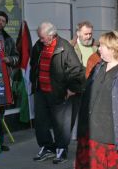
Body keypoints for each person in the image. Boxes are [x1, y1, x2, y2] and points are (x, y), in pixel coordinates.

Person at [30, 21, 85, 164]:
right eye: (39, 37)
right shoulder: (38, 46)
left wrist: (72, 89)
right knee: (40, 122)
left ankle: (61, 148)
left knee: (61, 124)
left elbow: (76, 69)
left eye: (42, 38)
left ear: (52, 35)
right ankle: (46, 147)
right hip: (41, 90)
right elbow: (34, 64)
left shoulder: (64, 47)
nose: (40, 40)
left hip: (59, 92)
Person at [75, 31, 118, 169]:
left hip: (115, 138)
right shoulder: (98, 67)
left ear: (113, 48)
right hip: (92, 135)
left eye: (102, 46)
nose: (98, 48)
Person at [0, 11, 19, 153]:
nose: (0, 23)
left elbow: (17, 57)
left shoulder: (8, 39)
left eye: (3, 21)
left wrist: (9, 60)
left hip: (3, 79)